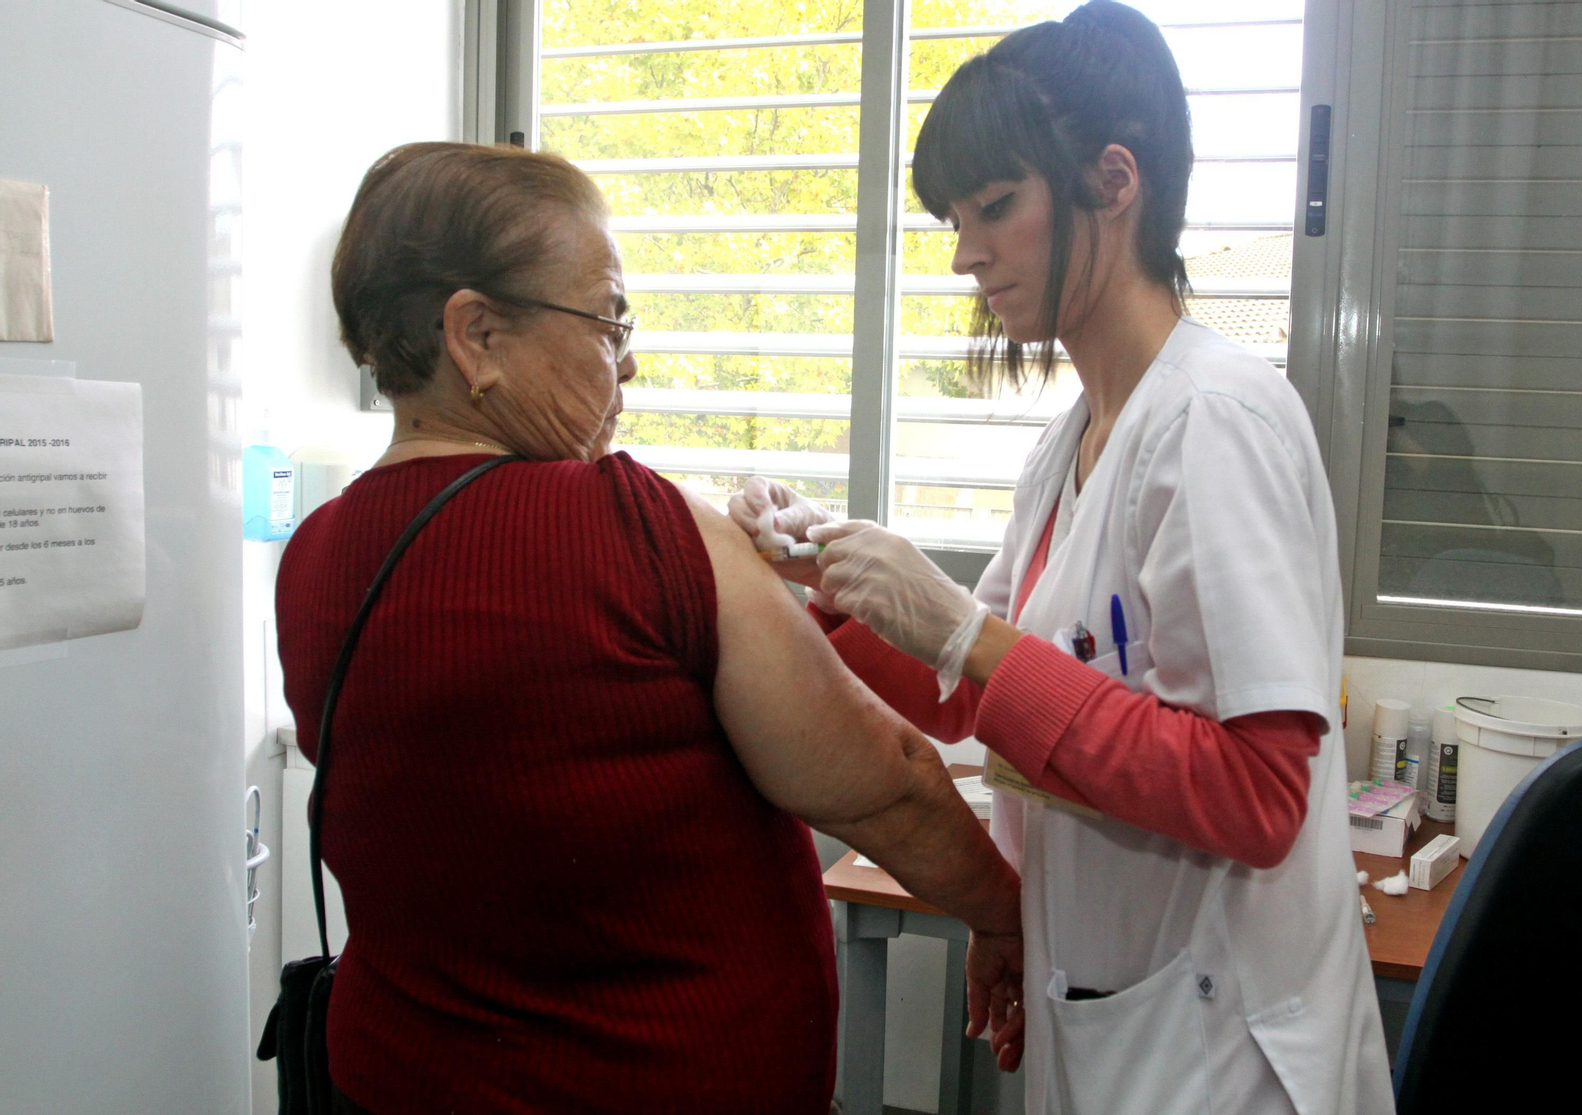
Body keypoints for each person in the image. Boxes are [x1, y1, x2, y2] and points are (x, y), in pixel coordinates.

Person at [729, 5, 1393, 1113]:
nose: (964, 254)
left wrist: (961, 627)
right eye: (953, 217)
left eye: (995, 207)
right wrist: (827, 576)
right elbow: (965, 699)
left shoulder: (1213, 419)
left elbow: (1259, 792)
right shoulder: (1076, 439)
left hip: (1226, 1056)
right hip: (1115, 1011)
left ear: (1112, 180)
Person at [275, 141, 1023, 1115]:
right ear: (476, 335)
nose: (629, 356)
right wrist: (1006, 917)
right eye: (608, 317)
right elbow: (891, 785)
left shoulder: (315, 553)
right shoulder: (639, 529)